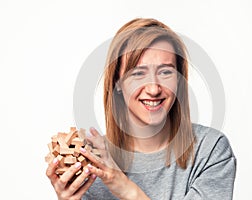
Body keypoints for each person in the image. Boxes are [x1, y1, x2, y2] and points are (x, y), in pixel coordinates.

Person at [46, 18, 236, 200]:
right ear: (117, 83)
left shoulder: (210, 150)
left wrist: (124, 188)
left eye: (165, 72)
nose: (153, 89)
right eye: (138, 73)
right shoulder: (93, 162)